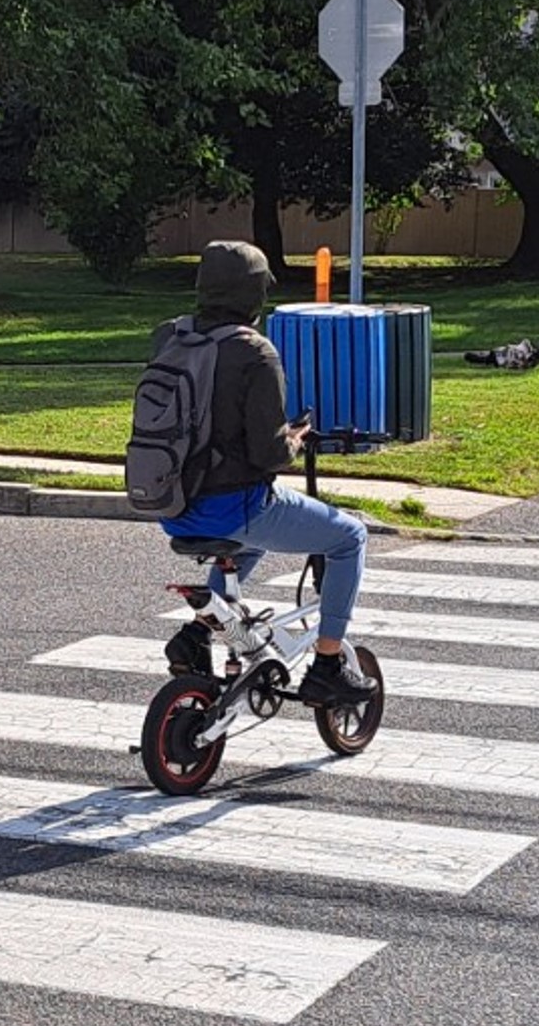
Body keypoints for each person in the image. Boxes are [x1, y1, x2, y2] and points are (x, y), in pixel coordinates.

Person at [158, 240, 376, 704]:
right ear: (254, 293)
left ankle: (197, 634)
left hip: (173, 504)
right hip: (235, 506)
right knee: (349, 537)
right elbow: (269, 455)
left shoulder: (171, 339)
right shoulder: (254, 352)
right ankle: (328, 665)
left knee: (250, 540)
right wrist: (294, 438)